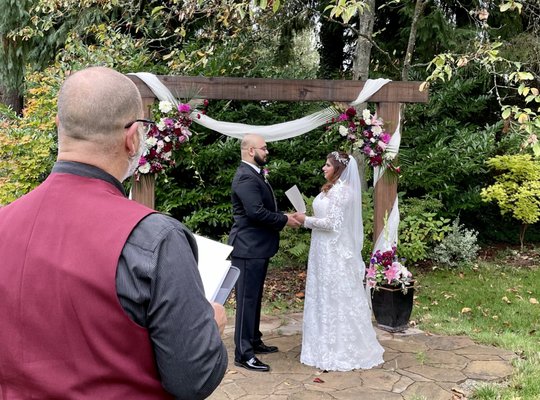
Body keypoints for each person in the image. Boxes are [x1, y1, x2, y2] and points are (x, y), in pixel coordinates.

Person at [0, 66, 228, 399]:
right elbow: (193, 378)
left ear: (60, 127)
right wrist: (211, 323)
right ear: (133, 136)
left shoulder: (4, 223)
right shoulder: (156, 239)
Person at [295, 150, 384, 371]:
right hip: (321, 250)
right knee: (321, 295)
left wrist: (305, 220)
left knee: (336, 297)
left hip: (334, 251)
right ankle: (319, 347)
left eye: (327, 165)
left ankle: (340, 349)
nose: (323, 168)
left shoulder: (344, 192)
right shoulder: (331, 190)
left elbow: (332, 223)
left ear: (339, 169)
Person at [228, 133, 301, 372]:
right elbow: (255, 212)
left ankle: (254, 340)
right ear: (251, 151)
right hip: (248, 248)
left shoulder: (255, 174)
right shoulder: (245, 177)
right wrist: (284, 220)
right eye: (264, 148)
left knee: (255, 298)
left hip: (258, 247)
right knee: (246, 300)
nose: (267, 151)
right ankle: (243, 352)